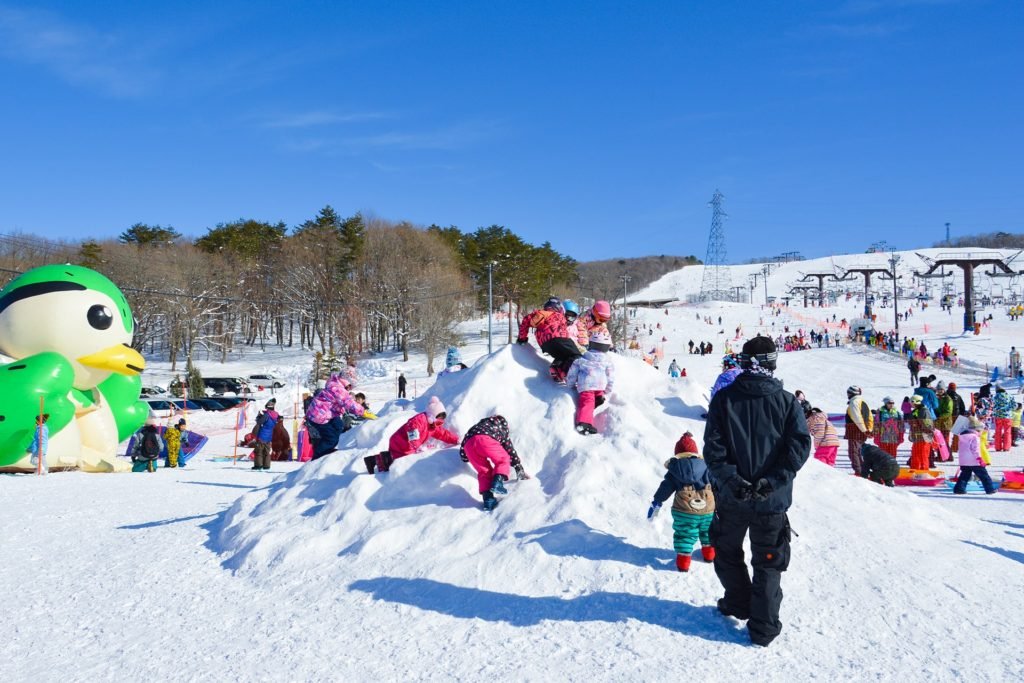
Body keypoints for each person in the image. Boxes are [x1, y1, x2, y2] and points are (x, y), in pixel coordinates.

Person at [704, 335, 811, 647]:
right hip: (770, 500)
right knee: (767, 560)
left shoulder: (724, 400)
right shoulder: (787, 401)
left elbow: (714, 451)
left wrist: (734, 482)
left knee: (726, 550)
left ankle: (738, 603)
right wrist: (771, 482)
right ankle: (762, 627)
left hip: (733, 497)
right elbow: (798, 449)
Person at [648, 433, 716, 572]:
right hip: (707, 510)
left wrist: (657, 501)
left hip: (685, 511)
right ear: (695, 452)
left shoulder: (675, 469)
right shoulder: (706, 467)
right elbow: (716, 484)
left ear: (678, 453)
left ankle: (683, 563)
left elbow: (666, 487)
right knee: (708, 531)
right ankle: (709, 555)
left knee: (685, 534)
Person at [364, 396, 458, 473]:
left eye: (442, 419)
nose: (440, 421)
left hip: (407, 446)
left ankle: (371, 461)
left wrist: (456, 440)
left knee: (394, 457)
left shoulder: (433, 426)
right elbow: (413, 434)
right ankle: (379, 466)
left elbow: (444, 434)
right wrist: (417, 447)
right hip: (400, 441)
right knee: (397, 459)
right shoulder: (419, 420)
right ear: (432, 415)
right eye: (438, 418)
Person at [459, 415, 530, 511]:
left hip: (468, 446)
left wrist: (465, 457)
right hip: (485, 439)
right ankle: (497, 483)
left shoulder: (476, 427)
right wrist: (518, 467)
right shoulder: (501, 428)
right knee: (503, 459)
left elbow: (463, 452)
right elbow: (509, 449)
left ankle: (488, 500)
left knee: (484, 471)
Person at [307, 375, 377, 460]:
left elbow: (340, 403)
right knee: (331, 438)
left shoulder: (335, 384)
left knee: (339, 425)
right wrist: (363, 412)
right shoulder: (338, 389)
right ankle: (318, 456)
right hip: (319, 416)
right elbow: (349, 403)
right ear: (345, 382)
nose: (349, 389)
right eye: (349, 386)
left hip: (327, 414)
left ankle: (328, 448)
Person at [517, 297, 583, 384]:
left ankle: (556, 368)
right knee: (576, 355)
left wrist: (522, 338)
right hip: (560, 338)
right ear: (560, 309)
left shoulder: (540, 314)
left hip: (545, 344)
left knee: (563, 356)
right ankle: (571, 375)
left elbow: (526, 320)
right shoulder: (559, 316)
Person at [565, 328, 615, 435]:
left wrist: (570, 384)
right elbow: (611, 377)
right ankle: (584, 423)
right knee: (592, 398)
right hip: (600, 386)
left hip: (586, 385)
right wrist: (607, 390)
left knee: (587, 402)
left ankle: (586, 419)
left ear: (591, 344)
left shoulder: (582, 358)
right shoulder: (608, 361)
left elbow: (572, 373)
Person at [952, 417, 997, 494]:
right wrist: (979, 459)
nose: (980, 433)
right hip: (974, 461)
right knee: (984, 476)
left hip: (964, 461)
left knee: (964, 476)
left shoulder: (962, 437)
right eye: (979, 431)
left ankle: (959, 489)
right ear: (976, 430)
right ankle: (990, 489)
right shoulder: (975, 437)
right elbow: (975, 450)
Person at [845, 386, 872, 476]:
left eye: (848, 393)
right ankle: (863, 470)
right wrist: (869, 429)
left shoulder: (854, 402)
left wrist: (864, 430)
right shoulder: (863, 402)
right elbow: (870, 417)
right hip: (862, 431)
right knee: (858, 452)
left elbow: (857, 417)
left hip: (855, 432)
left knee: (853, 452)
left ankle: (859, 472)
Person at [907, 395, 934, 470]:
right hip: (917, 437)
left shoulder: (924, 411)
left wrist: (917, 425)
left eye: (911, 402)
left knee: (923, 455)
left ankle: (923, 471)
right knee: (915, 455)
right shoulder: (916, 411)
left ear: (914, 402)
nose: (910, 404)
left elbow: (927, 425)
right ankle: (915, 470)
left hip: (924, 437)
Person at [252, 399, 279, 470]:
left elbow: (259, 422)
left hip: (262, 435)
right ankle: (266, 465)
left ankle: (258, 465)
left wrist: (258, 416)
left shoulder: (266, 415)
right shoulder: (276, 415)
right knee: (267, 451)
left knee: (259, 451)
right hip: (269, 435)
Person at [992, 385, 1015, 452]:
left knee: (998, 431)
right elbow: (1014, 406)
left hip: (998, 416)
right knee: (1007, 431)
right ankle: (1006, 447)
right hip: (1007, 416)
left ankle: (998, 447)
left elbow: (992, 405)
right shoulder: (1009, 396)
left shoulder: (995, 397)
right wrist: (1008, 409)